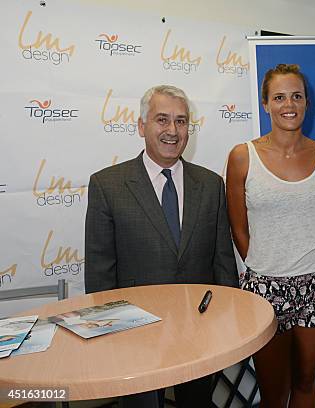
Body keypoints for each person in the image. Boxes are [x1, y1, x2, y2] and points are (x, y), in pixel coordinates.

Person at [85, 84, 238, 408]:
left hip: (201, 331)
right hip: (136, 336)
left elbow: (222, 260)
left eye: (181, 121)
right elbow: (100, 271)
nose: (172, 130)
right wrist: (107, 334)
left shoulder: (211, 184)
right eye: (162, 120)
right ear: (142, 126)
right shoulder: (107, 185)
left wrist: (226, 323)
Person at [225, 63, 315, 407]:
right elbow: (238, 227)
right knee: (274, 392)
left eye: (296, 96)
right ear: (265, 104)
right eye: (279, 97)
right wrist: (266, 265)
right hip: (265, 289)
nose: (288, 104)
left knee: (306, 382)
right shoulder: (242, 157)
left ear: (307, 103)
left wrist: (310, 260)